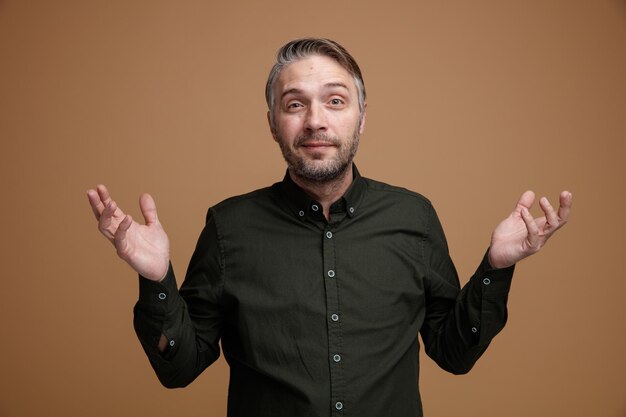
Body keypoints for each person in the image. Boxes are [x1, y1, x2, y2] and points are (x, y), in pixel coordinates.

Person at [87, 38, 572, 417]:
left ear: (361, 120)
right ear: (273, 123)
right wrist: (156, 280)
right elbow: (180, 368)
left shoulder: (414, 218)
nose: (316, 121)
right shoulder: (228, 227)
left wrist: (496, 267)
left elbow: (453, 353)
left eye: (335, 101)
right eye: (295, 104)